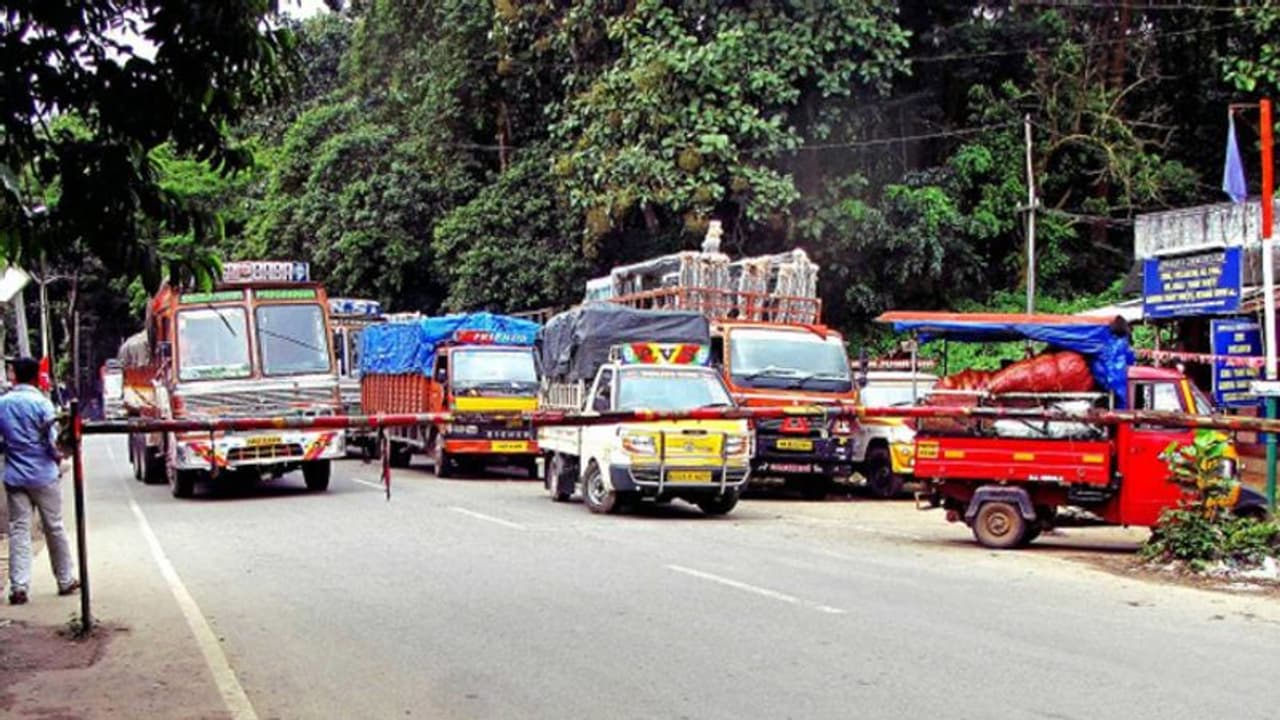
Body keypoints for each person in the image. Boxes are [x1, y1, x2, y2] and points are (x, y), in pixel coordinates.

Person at [1, 357, 78, 605]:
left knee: (19, 529)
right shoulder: (42, 404)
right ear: (36, 377)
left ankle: (18, 586)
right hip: (43, 475)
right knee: (54, 527)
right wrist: (58, 458)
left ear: (15, 376)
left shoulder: (3, 404)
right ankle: (65, 580)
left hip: (14, 476)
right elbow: (52, 442)